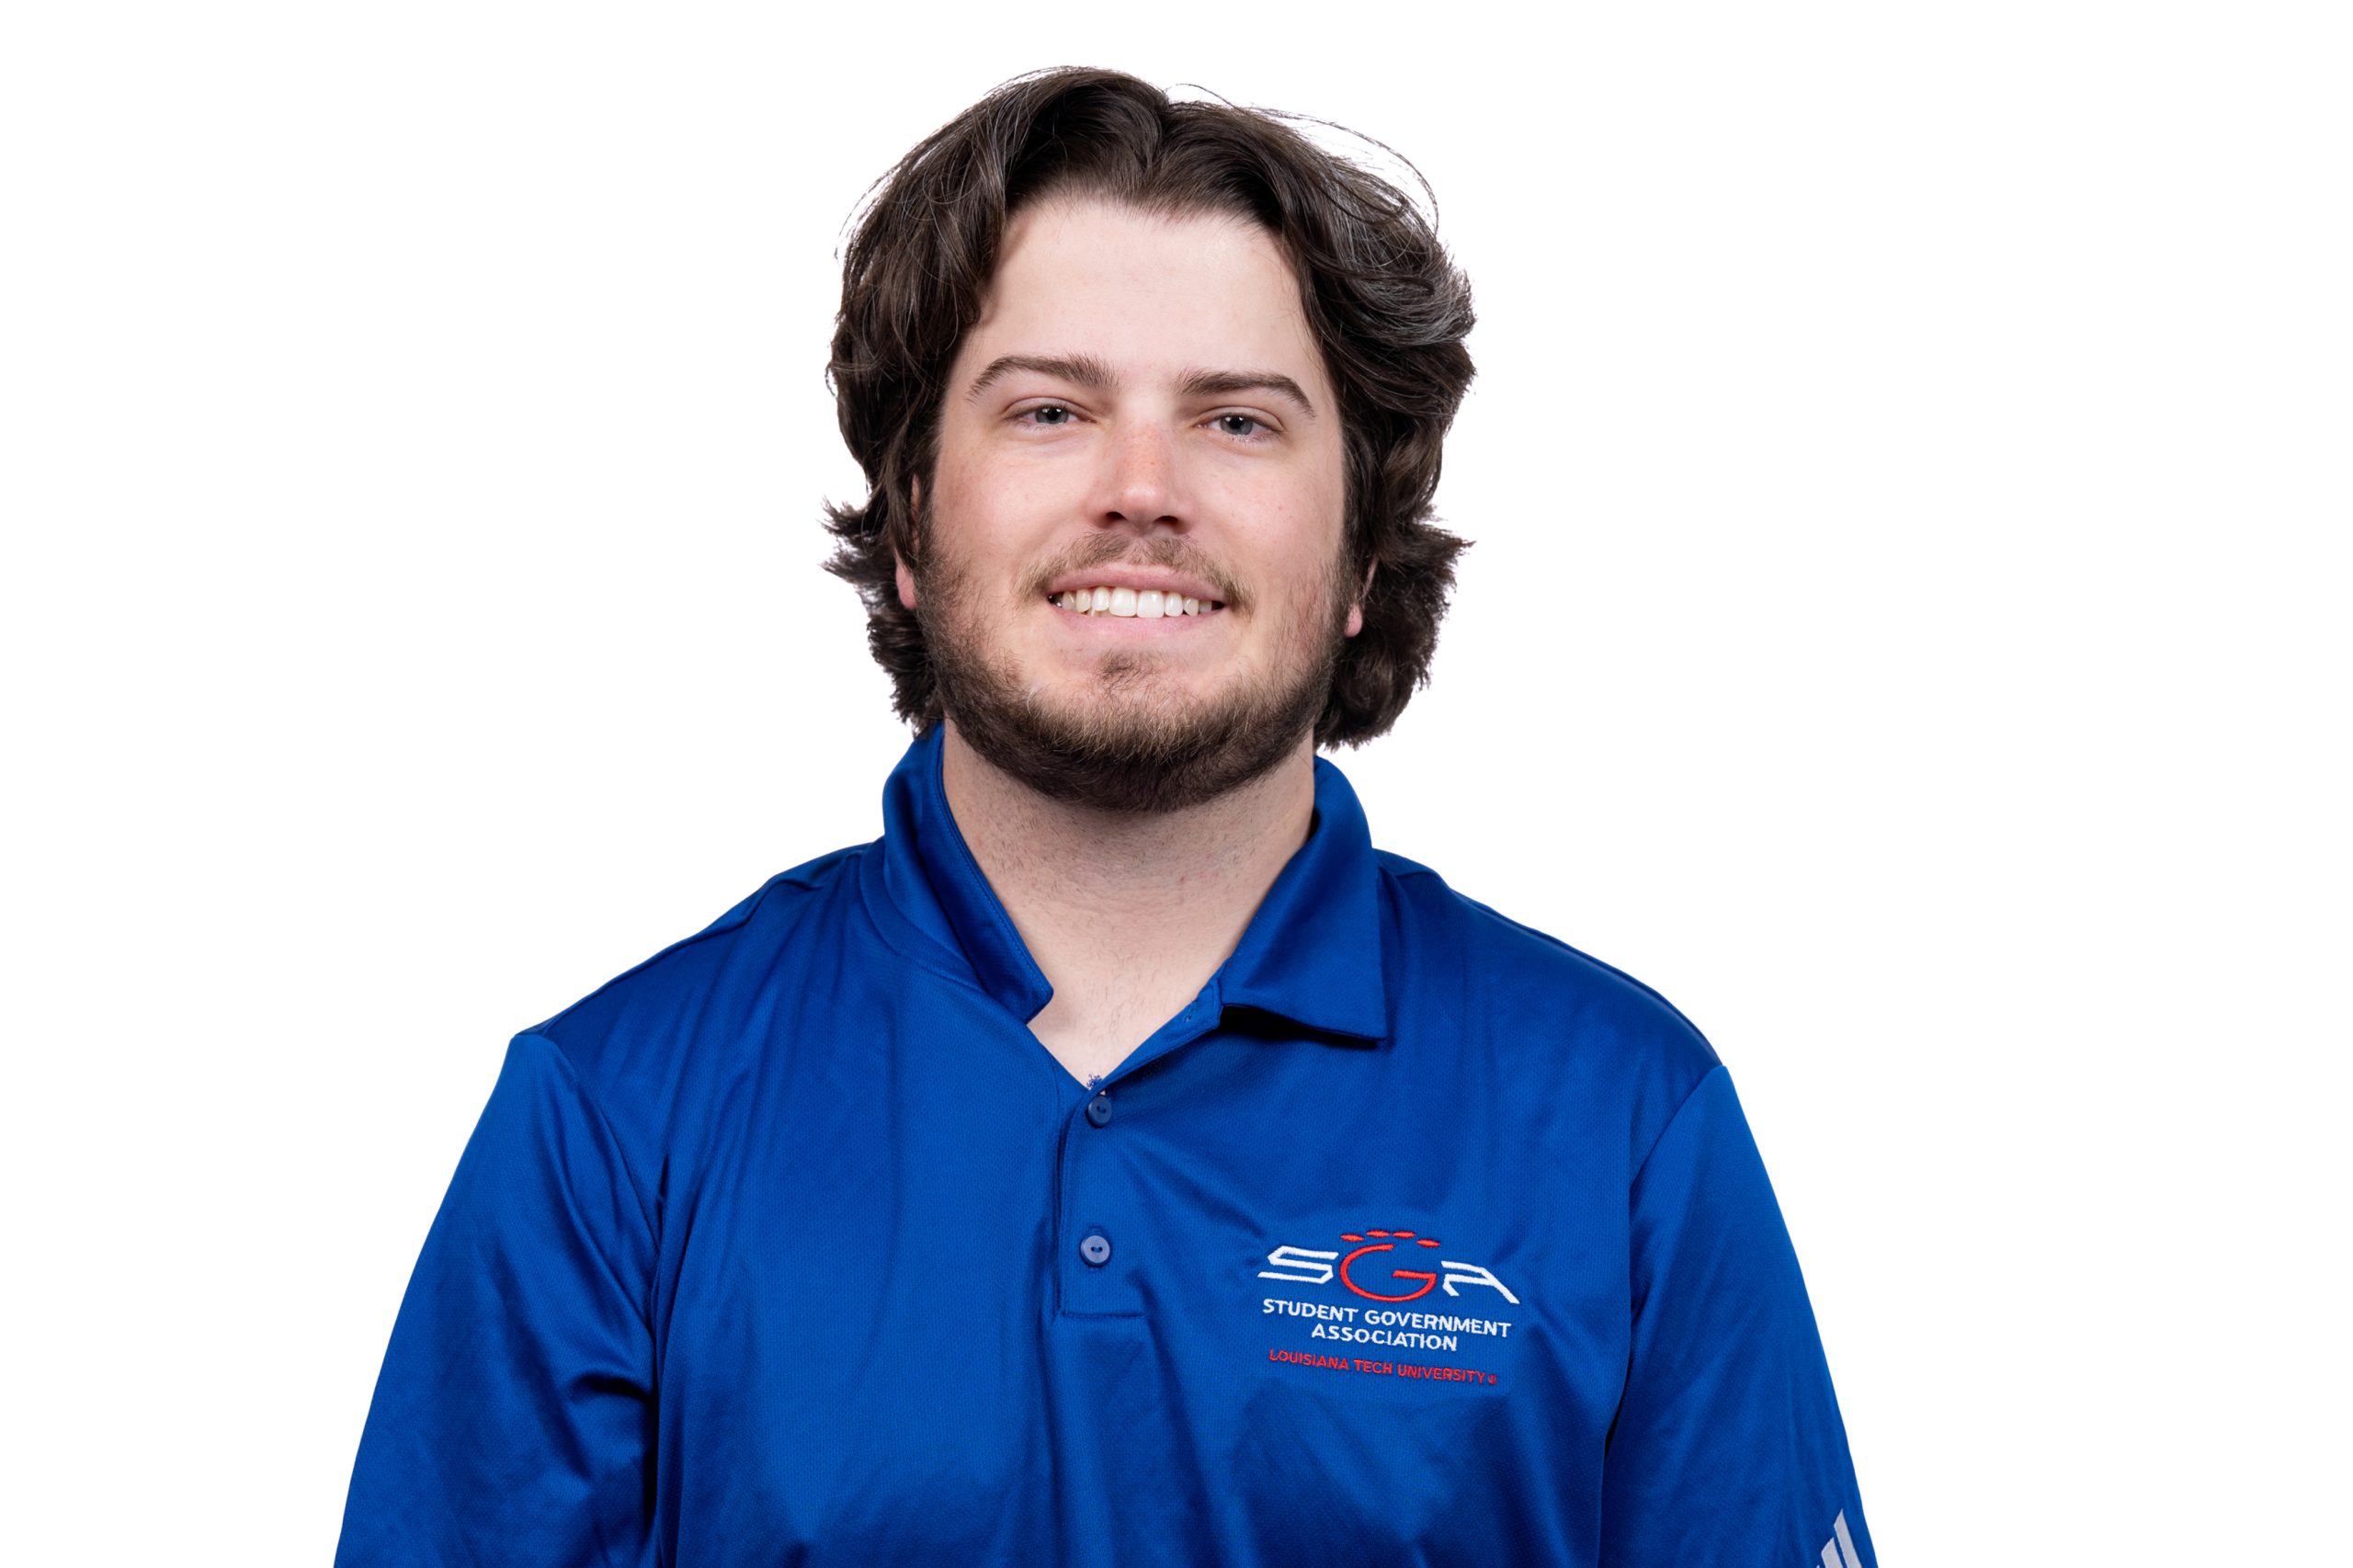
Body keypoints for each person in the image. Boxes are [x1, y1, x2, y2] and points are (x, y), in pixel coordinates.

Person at [335, 66, 1877, 1568]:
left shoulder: (1621, 1119)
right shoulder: (616, 1119)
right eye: (1050, 409)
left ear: (1360, 555)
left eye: (1239, 422)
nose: (1142, 487)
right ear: (912, 522)